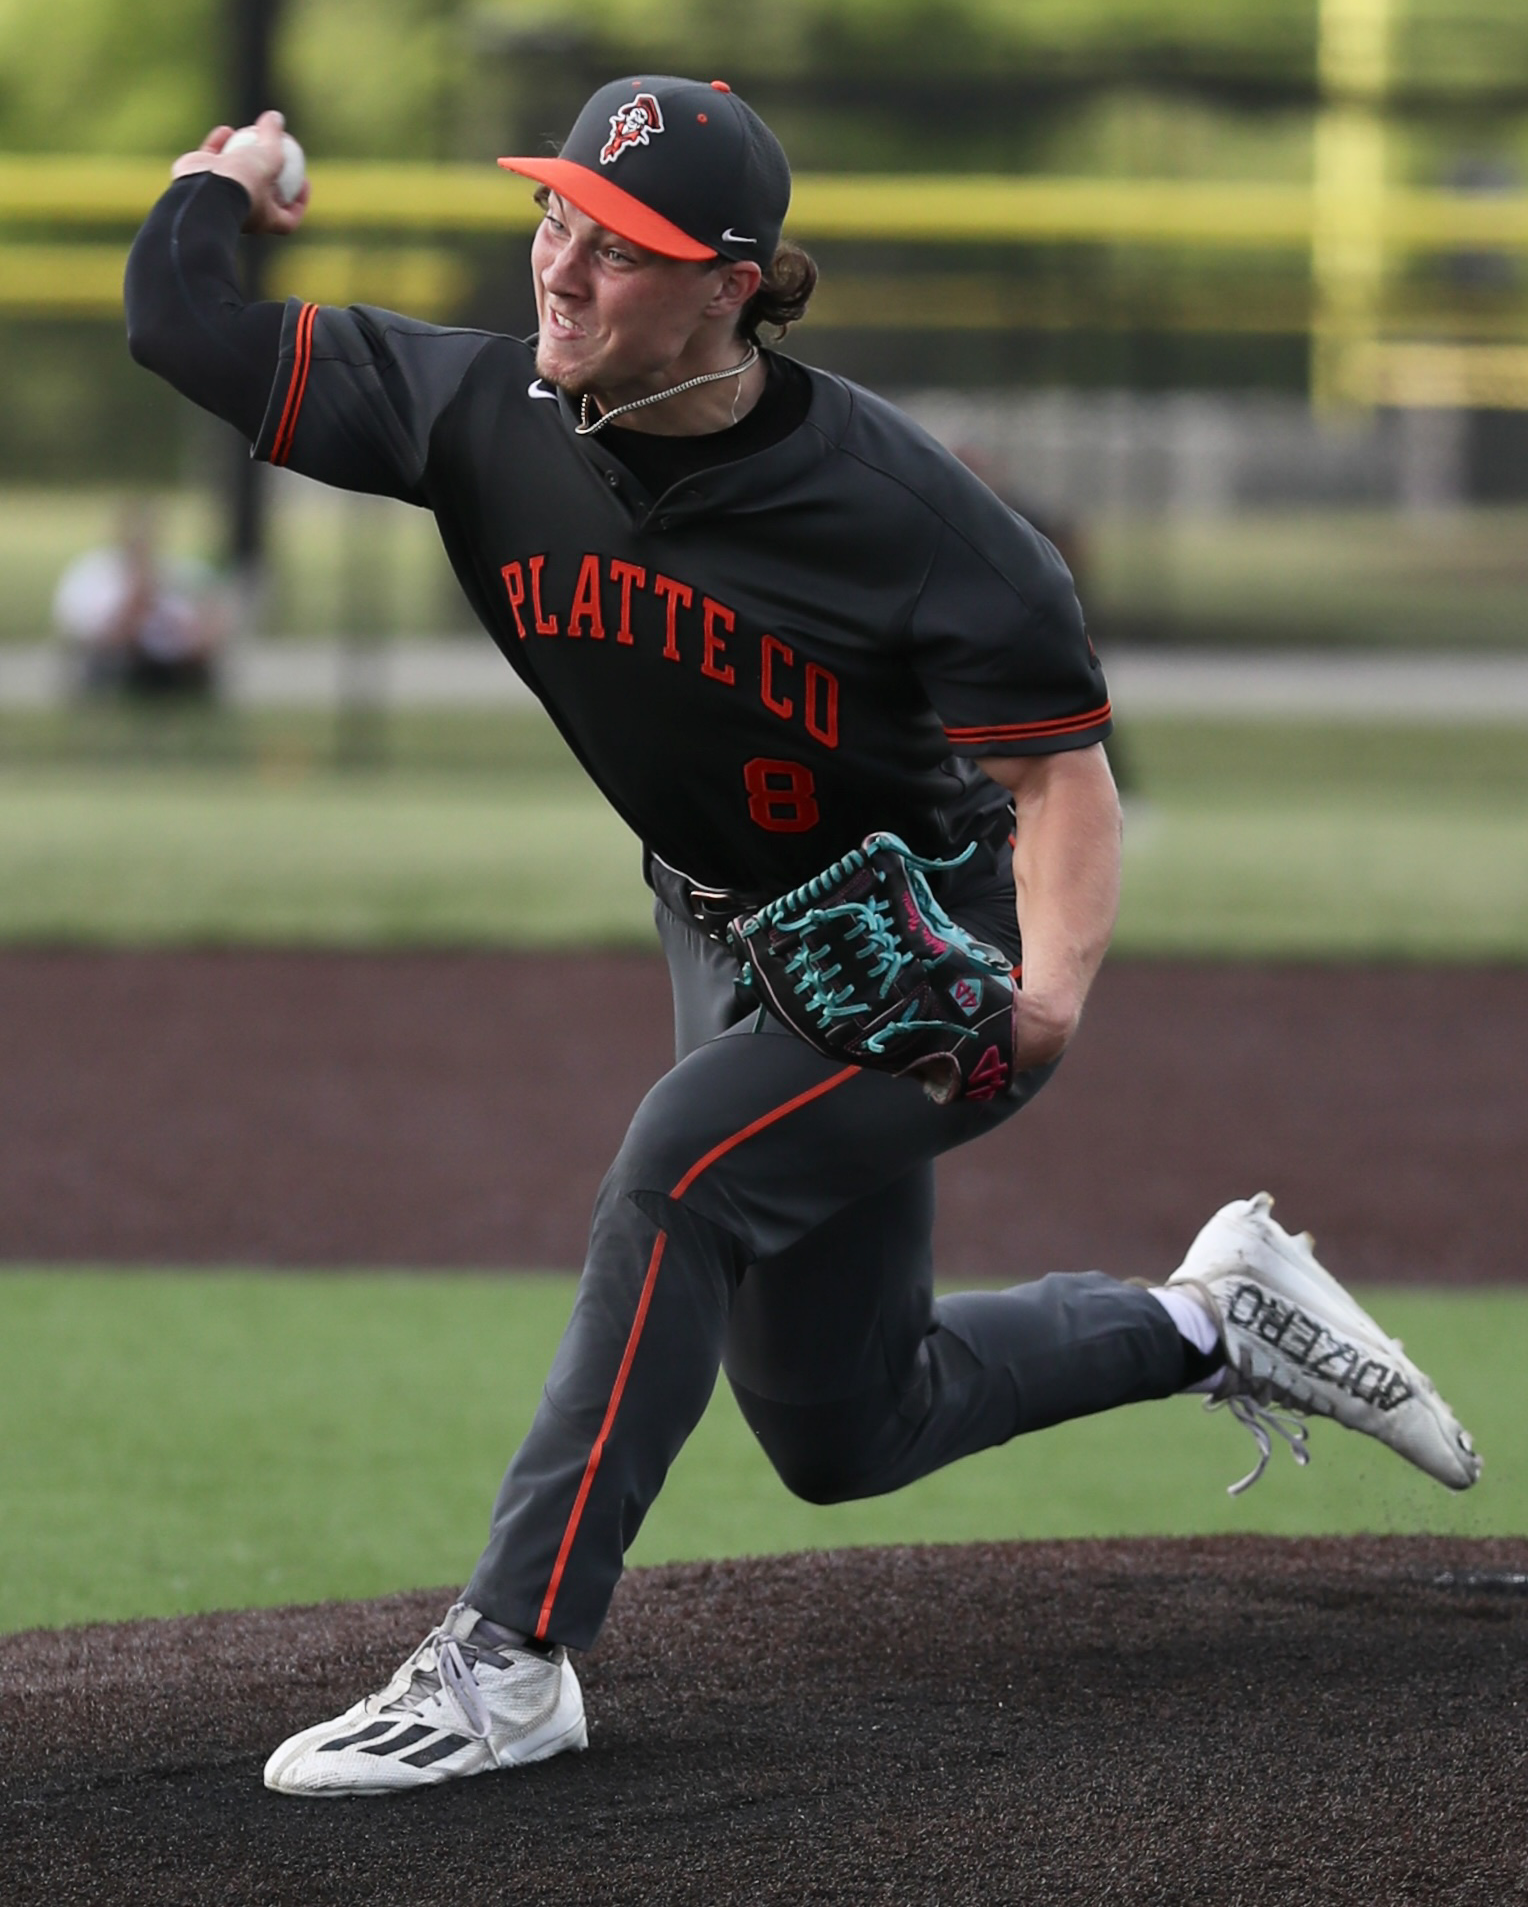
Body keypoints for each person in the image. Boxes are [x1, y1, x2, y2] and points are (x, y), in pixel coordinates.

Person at [125, 88, 1480, 1799]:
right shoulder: (474, 410)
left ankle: (509, 1659)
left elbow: (1061, 780)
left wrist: (1045, 1000)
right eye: (555, 217)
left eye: (620, 248)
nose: (563, 265)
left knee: (676, 1176)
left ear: (732, 285)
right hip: (719, 927)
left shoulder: (906, 513)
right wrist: (221, 179)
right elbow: (180, 322)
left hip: (927, 946)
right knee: (848, 1426)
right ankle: (1215, 1319)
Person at [53, 497, 225, 698]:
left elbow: (213, 612)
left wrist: (198, 636)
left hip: (174, 659)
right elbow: (94, 635)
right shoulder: (92, 573)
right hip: (122, 659)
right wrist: (140, 593)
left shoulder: (180, 570)